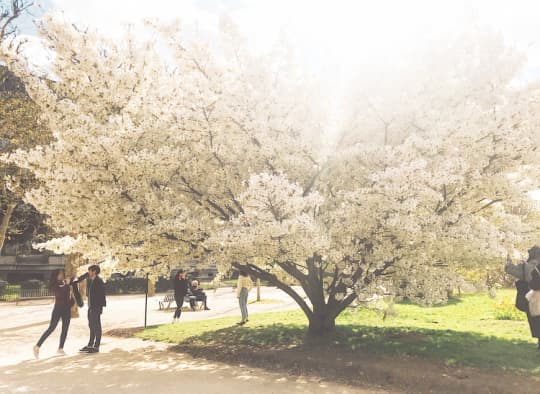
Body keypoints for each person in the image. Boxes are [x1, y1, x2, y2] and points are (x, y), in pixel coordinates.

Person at [33, 269, 74, 359]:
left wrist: (71, 301)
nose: (62, 275)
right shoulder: (54, 285)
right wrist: (67, 285)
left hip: (66, 309)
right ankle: (37, 346)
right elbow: (60, 294)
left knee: (65, 329)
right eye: (60, 274)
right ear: (55, 275)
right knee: (51, 328)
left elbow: (68, 294)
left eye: (62, 274)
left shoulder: (64, 282)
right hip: (58, 309)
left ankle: (60, 348)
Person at [505, 246, 540, 348]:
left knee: (536, 319)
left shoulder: (529, 266)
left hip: (536, 296)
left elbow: (512, 270)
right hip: (535, 295)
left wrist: (508, 260)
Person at [75, 265, 106, 353]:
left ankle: (96, 346)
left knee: (96, 326)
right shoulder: (93, 280)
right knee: (91, 326)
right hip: (91, 307)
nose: (88, 273)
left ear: (94, 271)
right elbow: (84, 277)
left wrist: (96, 307)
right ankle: (90, 345)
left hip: (96, 307)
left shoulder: (98, 281)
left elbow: (101, 296)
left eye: (90, 271)